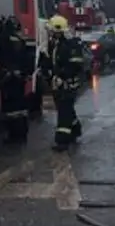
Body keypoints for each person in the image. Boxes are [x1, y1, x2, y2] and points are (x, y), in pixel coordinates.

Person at [41, 15, 84, 152]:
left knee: (64, 113)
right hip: (59, 83)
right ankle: (76, 130)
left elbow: (76, 64)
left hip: (68, 84)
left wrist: (63, 75)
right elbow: (53, 63)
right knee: (66, 109)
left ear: (59, 30)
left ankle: (62, 141)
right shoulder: (56, 44)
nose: (51, 33)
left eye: (52, 30)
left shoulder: (71, 45)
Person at [0, 16, 29, 144]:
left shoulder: (5, 39)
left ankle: (14, 136)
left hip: (9, 79)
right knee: (20, 107)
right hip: (18, 78)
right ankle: (21, 134)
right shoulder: (20, 40)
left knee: (11, 109)